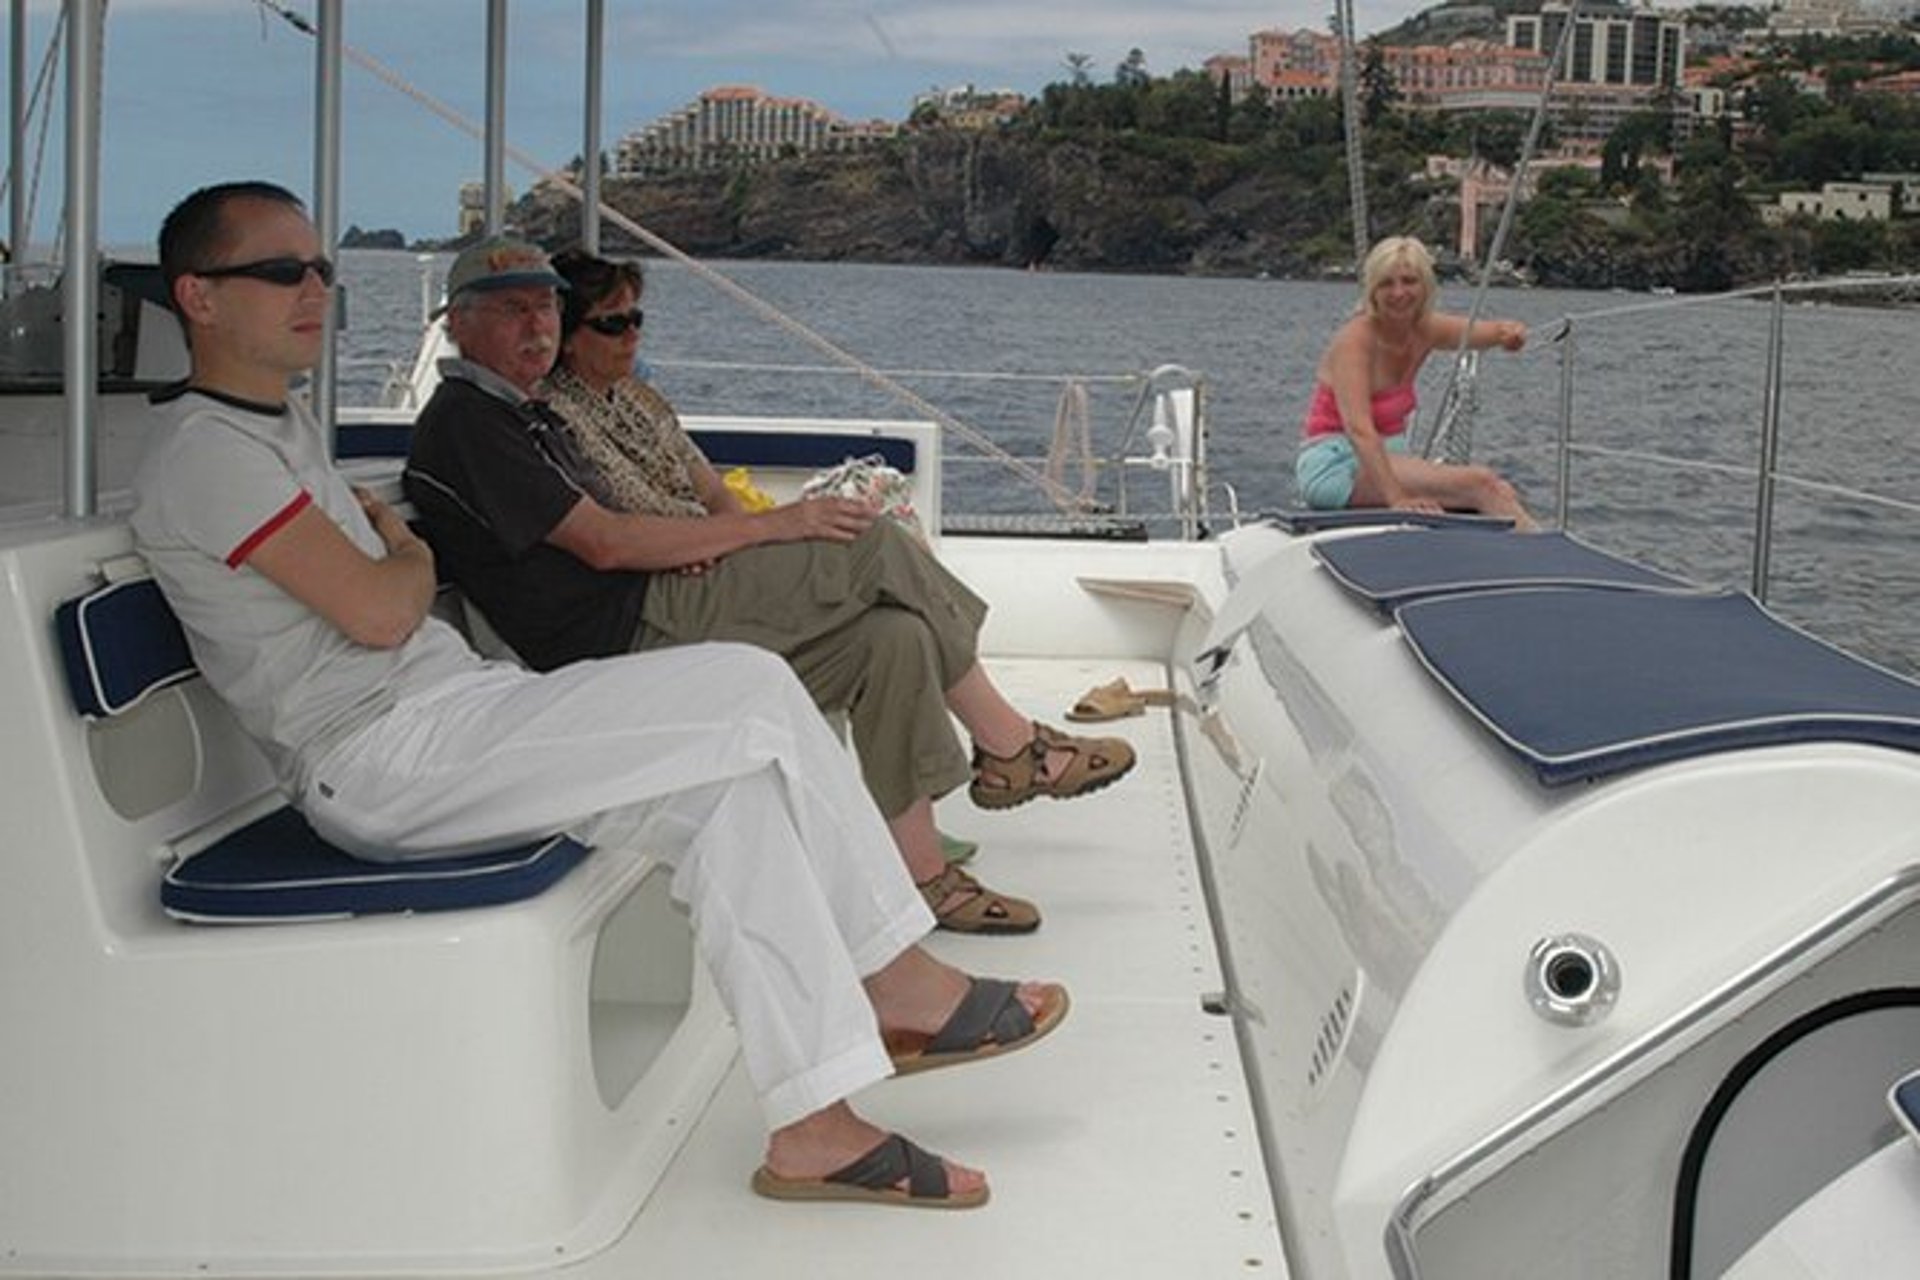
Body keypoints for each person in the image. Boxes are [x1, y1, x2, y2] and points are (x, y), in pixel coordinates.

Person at [131, 181, 1071, 1210]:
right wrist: (404, 549)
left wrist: (397, 560)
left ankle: (814, 1125)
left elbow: (385, 600)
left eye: (320, 268)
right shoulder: (208, 456)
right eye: (279, 271)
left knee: (733, 800)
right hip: (380, 757)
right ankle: (896, 975)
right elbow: (382, 612)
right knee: (751, 691)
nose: (313, 289)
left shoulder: (277, 427)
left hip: (450, 712)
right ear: (200, 297)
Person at [403, 238, 1137, 937]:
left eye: (544, 305)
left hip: (650, 598)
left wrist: (722, 534)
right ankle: (1011, 747)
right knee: (871, 542)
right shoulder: (471, 423)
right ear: (459, 322)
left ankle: (925, 876)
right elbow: (605, 542)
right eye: (509, 309)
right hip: (622, 627)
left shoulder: (521, 414)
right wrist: (770, 528)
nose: (535, 324)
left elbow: (632, 520)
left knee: (895, 638)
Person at [1294, 235, 1536, 528]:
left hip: (1385, 462)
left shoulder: (1425, 329)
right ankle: (1551, 562)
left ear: (1425, 286)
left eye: (1409, 281)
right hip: (1337, 466)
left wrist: (1510, 335)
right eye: (1387, 283)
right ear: (1373, 291)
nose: (1399, 292)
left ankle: (1528, 562)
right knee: (1481, 483)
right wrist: (1397, 500)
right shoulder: (1355, 340)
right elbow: (1359, 430)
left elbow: (1488, 332)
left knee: (1501, 492)